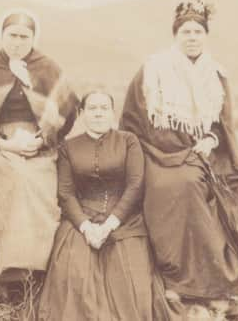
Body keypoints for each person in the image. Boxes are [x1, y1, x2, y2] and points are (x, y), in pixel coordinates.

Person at [119, 0, 238, 306]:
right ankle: (195, 279)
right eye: (186, 31)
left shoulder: (216, 74)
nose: (192, 37)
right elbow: (135, 121)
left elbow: (224, 124)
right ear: (175, 35)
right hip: (160, 154)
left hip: (209, 154)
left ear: (205, 36)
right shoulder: (153, 70)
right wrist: (180, 149)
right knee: (184, 186)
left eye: (198, 31)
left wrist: (210, 138)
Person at [38, 91, 180, 321]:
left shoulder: (128, 141)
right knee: (73, 276)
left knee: (132, 283)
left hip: (124, 221)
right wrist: (86, 227)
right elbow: (65, 193)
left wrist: (108, 225)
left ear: (112, 113)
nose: (98, 113)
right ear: (82, 114)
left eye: (104, 108)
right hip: (80, 221)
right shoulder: (68, 147)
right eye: (92, 108)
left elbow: (135, 185)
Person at [0, 8, 79, 281]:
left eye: (24, 37)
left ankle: (41, 265)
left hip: (40, 144)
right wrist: (3, 144)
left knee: (42, 186)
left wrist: (42, 140)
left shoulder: (47, 67)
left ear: (33, 38)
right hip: (1, 145)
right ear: (1, 36)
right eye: (11, 35)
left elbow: (68, 110)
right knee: (17, 180)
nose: (17, 42)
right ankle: (14, 268)